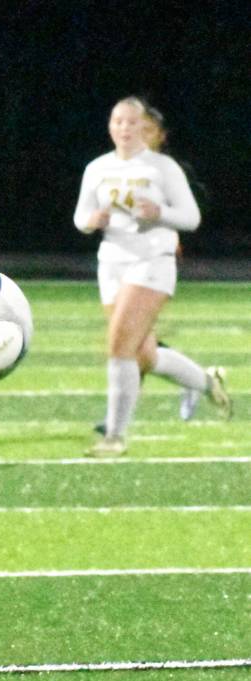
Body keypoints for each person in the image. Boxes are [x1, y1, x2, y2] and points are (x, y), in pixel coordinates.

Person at [74, 96, 231, 457]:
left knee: (118, 346)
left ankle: (114, 437)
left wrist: (160, 213)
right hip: (110, 264)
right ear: (110, 126)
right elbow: (80, 217)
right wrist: (91, 222)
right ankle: (206, 382)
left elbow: (191, 218)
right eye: (118, 122)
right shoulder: (97, 168)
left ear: (145, 128)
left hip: (151, 262)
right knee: (142, 354)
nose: (126, 129)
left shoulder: (163, 168)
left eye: (133, 122)